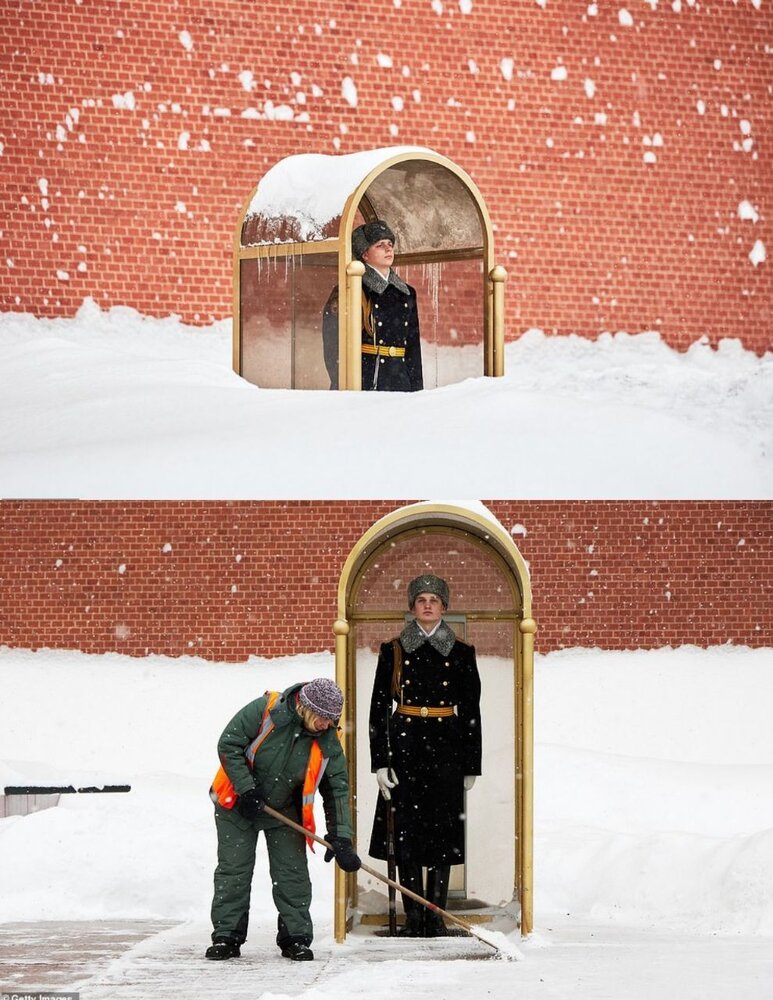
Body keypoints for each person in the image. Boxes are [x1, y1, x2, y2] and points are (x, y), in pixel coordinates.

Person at [206, 678, 361, 963]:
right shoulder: (265, 711)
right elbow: (228, 744)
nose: (328, 725)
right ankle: (227, 936)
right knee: (234, 871)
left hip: (284, 810)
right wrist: (247, 788)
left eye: (332, 720)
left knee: (292, 873)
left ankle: (296, 938)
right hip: (236, 803)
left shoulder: (327, 740)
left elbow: (336, 787)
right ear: (306, 708)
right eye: (323, 719)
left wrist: (341, 837)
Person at [368, 575, 482, 937]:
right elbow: (378, 708)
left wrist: (470, 764)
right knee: (407, 835)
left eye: (435, 599)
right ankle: (412, 916)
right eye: (421, 600)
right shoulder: (394, 650)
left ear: (445, 607)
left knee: (441, 835)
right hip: (406, 746)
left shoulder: (462, 653)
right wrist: (381, 760)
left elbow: (472, 710)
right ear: (412, 606)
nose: (428, 605)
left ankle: (436, 915)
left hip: (446, 748)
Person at [322, 219, 423, 391]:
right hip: (366, 382)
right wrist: (341, 383)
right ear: (364, 254)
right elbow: (333, 344)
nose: (388, 248)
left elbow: (413, 349)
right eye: (380, 245)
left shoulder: (406, 293)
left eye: (390, 243)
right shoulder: (350, 289)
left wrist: (416, 389)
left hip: (400, 383)